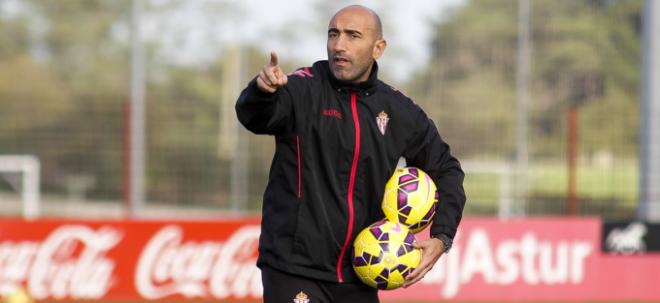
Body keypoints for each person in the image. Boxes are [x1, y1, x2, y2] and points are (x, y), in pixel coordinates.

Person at [235, 5, 465, 303]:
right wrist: (261, 92)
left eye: (353, 36)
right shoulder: (302, 88)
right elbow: (257, 117)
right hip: (295, 269)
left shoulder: (399, 110)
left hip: (362, 274)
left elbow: (446, 170)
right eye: (334, 34)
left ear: (378, 48)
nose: (339, 45)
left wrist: (442, 236)